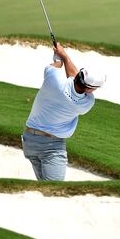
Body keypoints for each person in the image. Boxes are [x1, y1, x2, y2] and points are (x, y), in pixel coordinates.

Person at [22, 42, 106, 181]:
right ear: (90, 89)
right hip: (51, 148)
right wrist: (64, 57)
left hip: (29, 140)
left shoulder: (52, 79)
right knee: (55, 192)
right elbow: (73, 77)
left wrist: (60, 58)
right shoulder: (86, 103)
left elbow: (60, 69)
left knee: (44, 190)